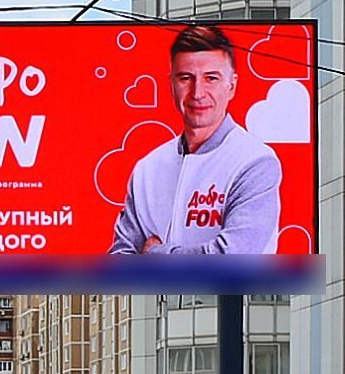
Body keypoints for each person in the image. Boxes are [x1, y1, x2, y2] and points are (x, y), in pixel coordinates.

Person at [108, 23, 285, 256]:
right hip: (153, 294)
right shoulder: (147, 168)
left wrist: (156, 255)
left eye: (211, 78)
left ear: (231, 86)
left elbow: (234, 259)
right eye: (186, 78)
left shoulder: (255, 161)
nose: (197, 92)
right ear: (171, 84)